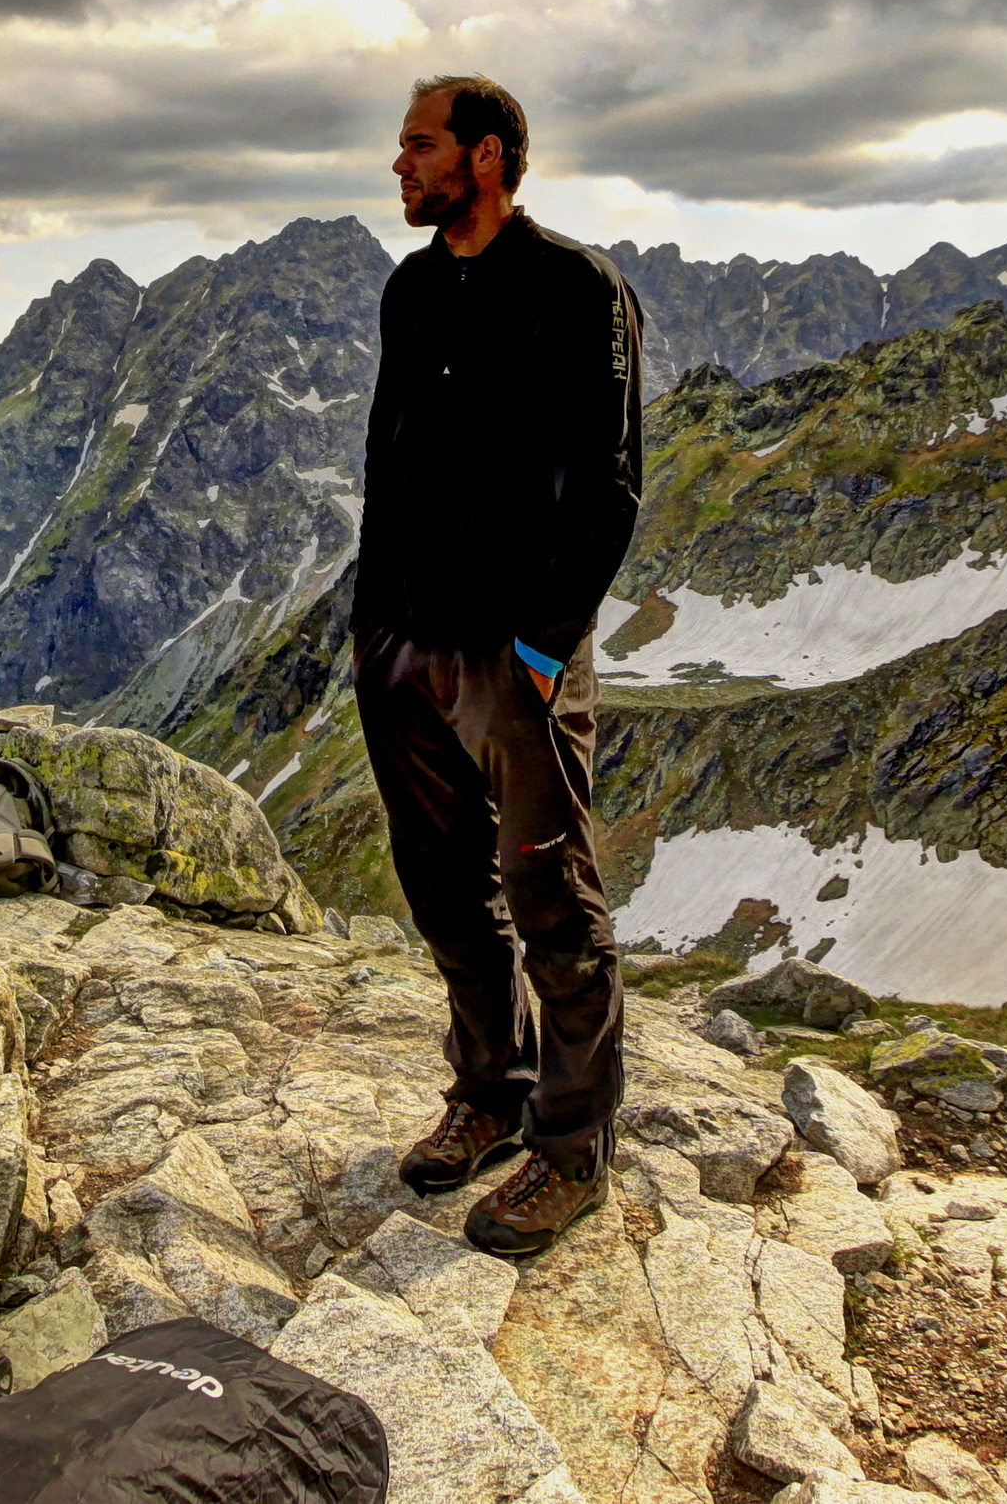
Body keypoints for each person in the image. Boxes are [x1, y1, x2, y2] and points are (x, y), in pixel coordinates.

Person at [352, 74, 645, 1259]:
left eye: (417, 144)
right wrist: (373, 628)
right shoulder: (411, 288)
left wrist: (535, 642)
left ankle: (570, 1148)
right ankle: (490, 1088)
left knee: (549, 898)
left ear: (484, 156)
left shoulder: (576, 288)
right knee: (442, 887)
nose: (398, 164)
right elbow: (387, 460)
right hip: (403, 640)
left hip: (512, 652)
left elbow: (610, 483)